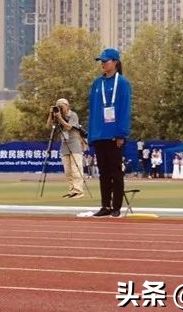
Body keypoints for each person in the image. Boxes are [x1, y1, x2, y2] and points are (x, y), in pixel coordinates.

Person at [87, 47, 131, 218]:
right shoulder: (97, 83)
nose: (103, 64)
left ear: (115, 62)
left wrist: (121, 133)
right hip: (99, 134)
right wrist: (91, 135)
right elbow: (93, 110)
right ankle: (105, 205)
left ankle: (116, 207)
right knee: (103, 172)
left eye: (105, 61)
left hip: (114, 134)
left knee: (115, 172)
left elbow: (125, 109)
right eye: (101, 61)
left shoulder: (122, 83)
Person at [47, 98, 85, 198]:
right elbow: (48, 126)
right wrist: (51, 115)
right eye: (58, 106)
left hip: (75, 144)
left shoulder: (73, 115)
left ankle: (78, 190)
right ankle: (72, 190)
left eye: (61, 106)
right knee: (68, 171)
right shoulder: (57, 116)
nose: (60, 108)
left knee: (76, 169)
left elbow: (68, 127)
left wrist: (59, 118)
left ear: (67, 106)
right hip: (64, 145)